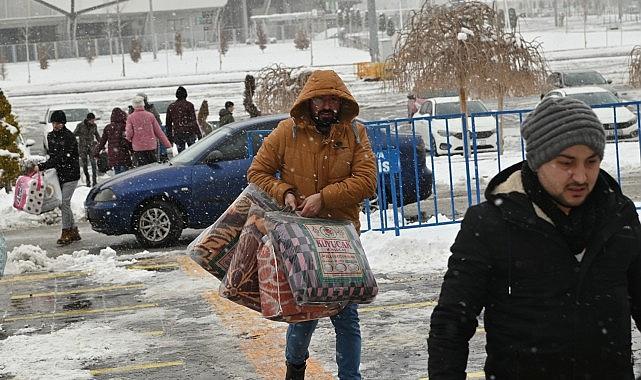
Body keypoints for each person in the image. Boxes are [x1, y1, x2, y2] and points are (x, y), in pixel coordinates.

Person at [428, 97, 641, 379]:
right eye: (566, 163)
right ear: (538, 160)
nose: (581, 176)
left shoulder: (619, 215)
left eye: (591, 162)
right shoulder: (491, 223)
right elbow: (452, 322)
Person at [247, 70, 377, 380]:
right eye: (321, 99)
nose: (328, 105)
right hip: (300, 237)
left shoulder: (355, 134)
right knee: (304, 313)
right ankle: (295, 367)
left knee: (347, 316)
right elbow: (257, 173)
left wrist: (325, 198)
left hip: (341, 238)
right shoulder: (286, 132)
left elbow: (367, 181)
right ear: (309, 101)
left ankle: (350, 377)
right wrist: (286, 192)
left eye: (334, 99)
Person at [34, 110, 81, 245]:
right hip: (59, 174)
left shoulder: (69, 137)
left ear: (63, 123)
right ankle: (74, 230)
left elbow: (62, 157)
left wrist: (43, 166)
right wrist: (47, 165)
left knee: (64, 202)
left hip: (71, 174)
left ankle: (66, 231)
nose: (56, 125)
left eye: (59, 123)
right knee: (64, 204)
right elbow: (53, 156)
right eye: (54, 123)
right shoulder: (50, 136)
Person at [126, 95, 171, 167]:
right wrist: (167, 144)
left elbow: (129, 133)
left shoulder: (130, 117)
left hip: (138, 147)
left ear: (133, 105)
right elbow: (158, 131)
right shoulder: (150, 115)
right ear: (143, 104)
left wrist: (128, 139)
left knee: (142, 168)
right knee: (152, 166)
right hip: (151, 146)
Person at [94, 107, 132, 174]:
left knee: (117, 174)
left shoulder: (108, 127)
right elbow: (127, 140)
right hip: (123, 154)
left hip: (113, 156)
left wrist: (96, 152)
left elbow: (102, 141)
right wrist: (132, 150)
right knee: (124, 175)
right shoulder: (124, 126)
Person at [165, 86, 201, 153]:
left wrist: (169, 137)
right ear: (186, 95)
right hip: (189, 131)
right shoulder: (189, 105)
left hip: (178, 133)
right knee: (193, 152)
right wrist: (199, 134)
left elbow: (168, 124)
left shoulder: (171, 106)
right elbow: (194, 121)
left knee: (181, 153)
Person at [136, 92, 169, 162]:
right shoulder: (151, 109)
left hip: (139, 142)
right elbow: (158, 121)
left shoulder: (133, 113)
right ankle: (163, 154)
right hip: (150, 138)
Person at [73, 112, 101, 187]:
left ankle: (94, 181)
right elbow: (74, 134)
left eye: (94, 120)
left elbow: (97, 135)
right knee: (85, 165)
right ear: (88, 120)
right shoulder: (80, 125)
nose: (93, 122)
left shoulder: (94, 126)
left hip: (91, 146)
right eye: (92, 120)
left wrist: (101, 143)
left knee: (93, 163)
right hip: (83, 147)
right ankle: (88, 180)